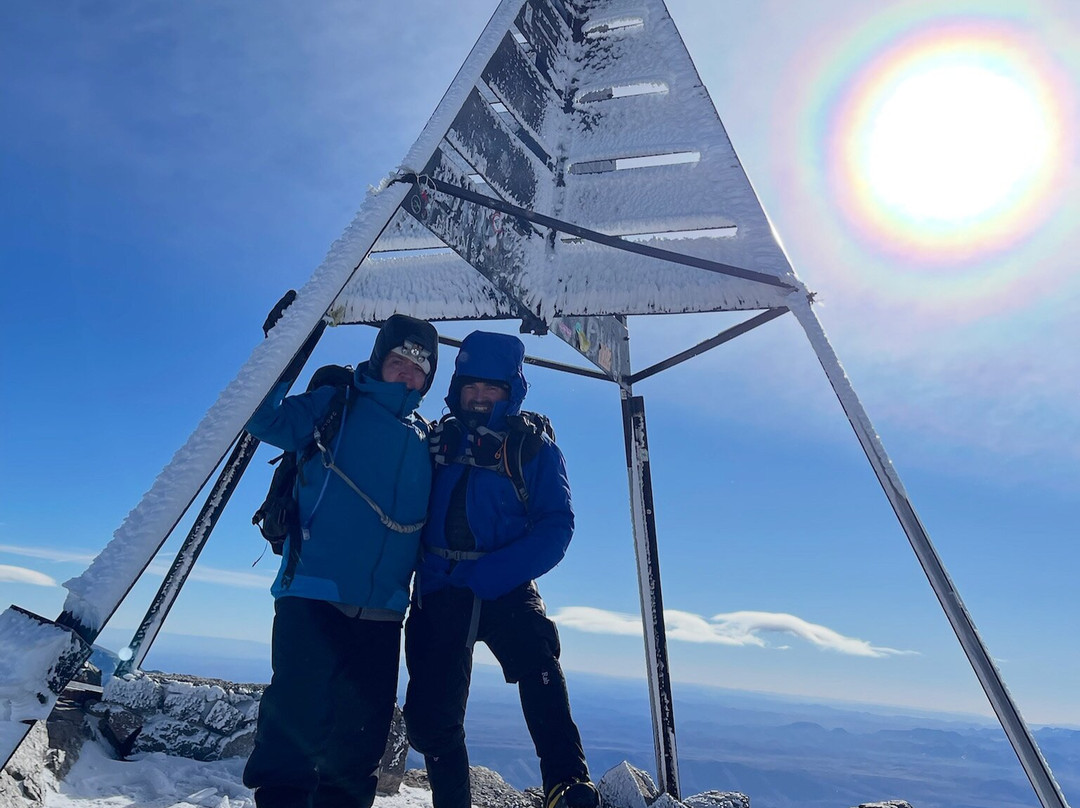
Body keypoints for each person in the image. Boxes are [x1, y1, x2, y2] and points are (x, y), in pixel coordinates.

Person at [242, 313, 438, 808]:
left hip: (383, 611)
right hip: (313, 594)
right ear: (379, 360)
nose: (408, 374)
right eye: (399, 361)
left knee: (359, 747)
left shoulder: (426, 437)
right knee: (293, 731)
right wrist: (283, 349)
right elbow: (262, 419)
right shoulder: (337, 403)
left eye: (419, 368)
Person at [403, 330, 599, 808]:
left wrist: (495, 573)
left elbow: (557, 526)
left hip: (505, 585)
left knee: (537, 662)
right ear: (457, 388)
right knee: (431, 720)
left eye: (491, 387)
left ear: (511, 391)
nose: (479, 396)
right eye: (471, 386)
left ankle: (567, 784)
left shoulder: (532, 449)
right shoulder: (435, 441)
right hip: (440, 587)